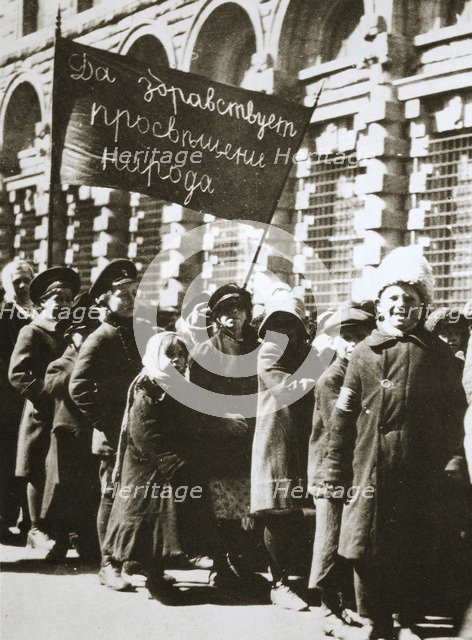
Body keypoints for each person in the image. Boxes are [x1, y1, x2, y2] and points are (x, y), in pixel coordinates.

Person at [324, 246, 469, 640]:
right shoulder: (363, 354)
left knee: (410, 543)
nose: (401, 305)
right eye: (393, 298)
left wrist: (452, 462)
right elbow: (343, 415)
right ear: (380, 305)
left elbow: (452, 414)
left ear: (422, 306)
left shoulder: (437, 356)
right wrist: (333, 467)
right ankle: (373, 619)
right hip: (368, 466)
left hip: (416, 467)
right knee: (363, 543)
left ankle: (405, 617)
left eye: (410, 299)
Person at [103, 332, 220, 601]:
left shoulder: (179, 387)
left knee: (159, 528)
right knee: (143, 522)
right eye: (170, 355)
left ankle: (154, 573)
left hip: (165, 465)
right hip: (146, 467)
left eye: (181, 354)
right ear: (156, 357)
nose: (177, 361)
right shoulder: (147, 390)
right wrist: (173, 464)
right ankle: (116, 566)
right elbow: (145, 433)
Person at [69, 259, 142, 590]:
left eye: (134, 292)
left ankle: (132, 561)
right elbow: (78, 387)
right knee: (111, 495)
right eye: (122, 294)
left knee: (137, 496)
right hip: (113, 434)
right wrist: (106, 422)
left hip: (140, 433)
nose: (131, 299)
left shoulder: (140, 333)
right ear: (104, 299)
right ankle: (108, 564)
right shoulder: (99, 337)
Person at [188, 283, 262, 593]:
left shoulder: (259, 348)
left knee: (248, 506)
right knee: (222, 506)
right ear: (216, 318)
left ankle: (242, 563)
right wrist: (222, 421)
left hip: (254, 438)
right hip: (219, 444)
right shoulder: (206, 352)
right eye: (225, 311)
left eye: (238, 309)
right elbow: (195, 400)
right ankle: (220, 566)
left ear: (248, 313)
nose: (233, 316)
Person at [307, 304, 375, 633]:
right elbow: (342, 426)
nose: (351, 343)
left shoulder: (361, 371)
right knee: (330, 539)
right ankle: (326, 610)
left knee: (346, 538)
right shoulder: (331, 379)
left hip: (351, 467)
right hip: (329, 469)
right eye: (345, 337)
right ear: (334, 342)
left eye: (359, 336)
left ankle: (343, 606)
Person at [250, 290, 319, 611]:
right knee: (276, 511)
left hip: (301, 439)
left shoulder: (305, 352)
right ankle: (278, 583)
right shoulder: (269, 352)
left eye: (291, 324)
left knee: (297, 512)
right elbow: (287, 388)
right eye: (278, 323)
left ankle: (298, 580)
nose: (284, 331)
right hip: (276, 439)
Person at [9, 266, 79, 551]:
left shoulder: (73, 333)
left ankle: (61, 530)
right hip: (41, 412)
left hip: (68, 413)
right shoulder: (33, 331)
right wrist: (44, 397)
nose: (63, 304)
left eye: (67, 299)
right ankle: (35, 527)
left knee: (60, 470)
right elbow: (18, 374)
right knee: (37, 468)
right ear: (42, 304)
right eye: (57, 299)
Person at [41, 293, 101, 561]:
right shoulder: (67, 357)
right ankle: (61, 541)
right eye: (81, 333)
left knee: (90, 490)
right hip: (69, 433)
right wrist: (79, 363)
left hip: (93, 432)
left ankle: (87, 541)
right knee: (64, 490)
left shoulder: (101, 351)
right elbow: (52, 384)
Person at [0, 260, 35, 542]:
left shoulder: (39, 312)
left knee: (30, 459)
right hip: (7, 400)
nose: (23, 285)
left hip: (32, 398)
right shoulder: (3, 314)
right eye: (17, 281)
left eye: (27, 279)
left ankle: (30, 521)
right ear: (6, 285)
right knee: (7, 459)